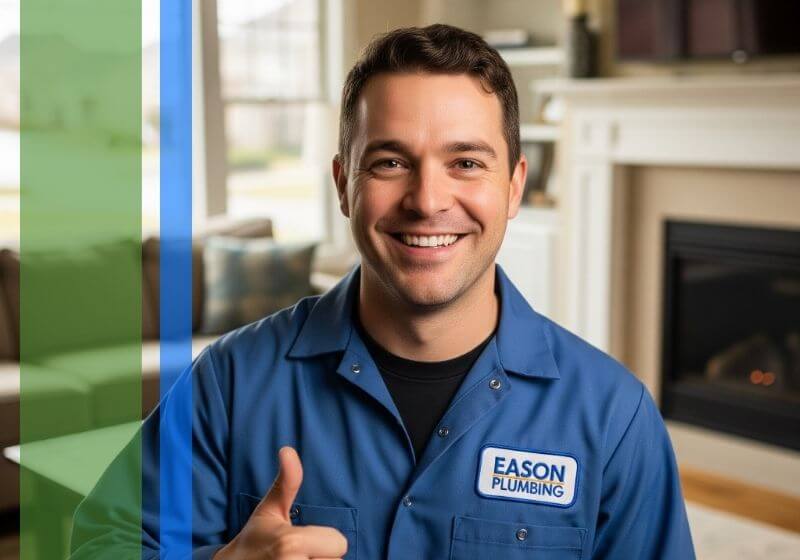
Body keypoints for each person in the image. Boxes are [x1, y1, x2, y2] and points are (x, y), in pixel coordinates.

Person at [71, 24, 695, 559]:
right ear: (344, 184)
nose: (427, 201)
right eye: (390, 162)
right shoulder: (231, 382)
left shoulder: (614, 418)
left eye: (467, 163)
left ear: (514, 186)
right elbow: (103, 543)